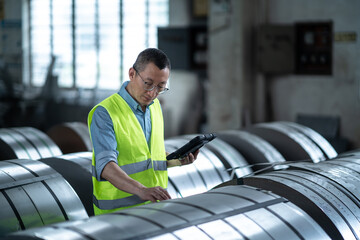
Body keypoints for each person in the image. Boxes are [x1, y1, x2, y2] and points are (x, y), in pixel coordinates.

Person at [88, 48, 199, 215]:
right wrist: (141, 190)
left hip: (154, 209)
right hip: (117, 215)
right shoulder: (105, 113)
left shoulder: (155, 108)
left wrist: (176, 160)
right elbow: (106, 167)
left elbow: (149, 157)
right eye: (148, 83)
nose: (152, 93)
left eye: (160, 87)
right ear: (132, 74)